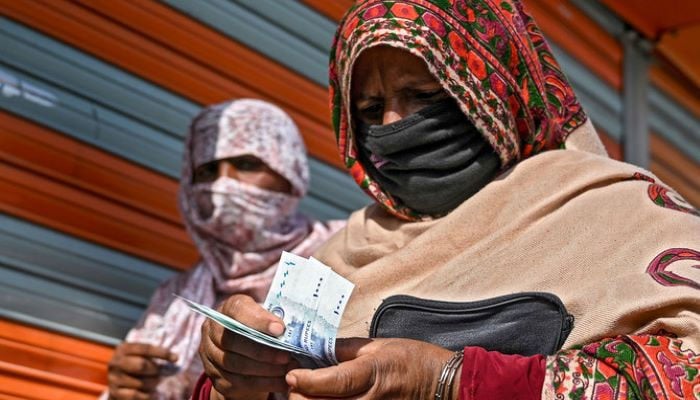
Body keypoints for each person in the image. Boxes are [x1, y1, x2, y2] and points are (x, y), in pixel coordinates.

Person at [194, 1, 700, 399]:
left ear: (498, 90)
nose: (393, 126)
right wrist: (234, 378)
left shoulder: (615, 214)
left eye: (424, 95)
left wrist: (451, 381)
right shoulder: (343, 256)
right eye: (371, 108)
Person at [103, 99, 345, 400]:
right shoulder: (175, 297)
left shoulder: (344, 253)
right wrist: (125, 389)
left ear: (290, 171)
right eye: (207, 171)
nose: (223, 184)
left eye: (246, 164)